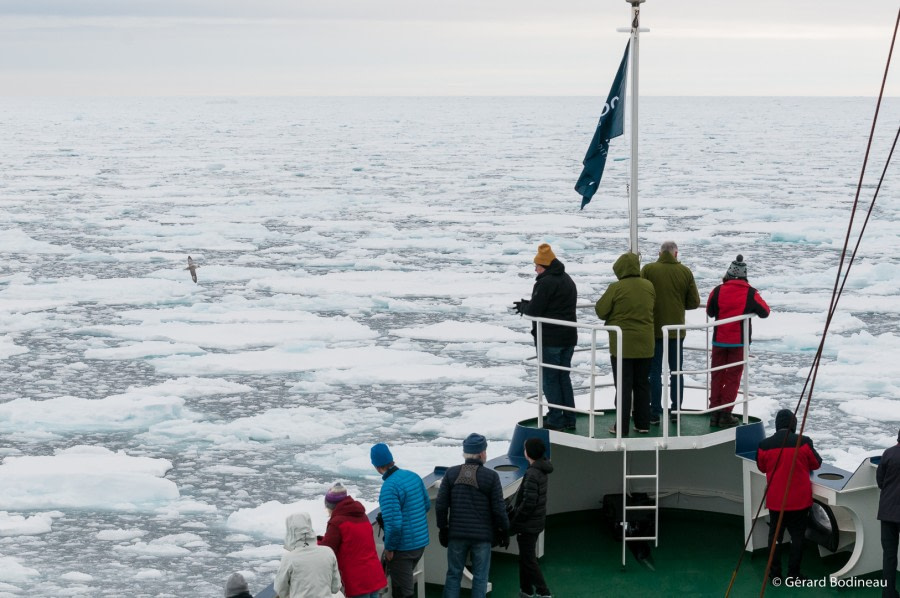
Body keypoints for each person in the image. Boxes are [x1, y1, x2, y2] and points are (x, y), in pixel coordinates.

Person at [436, 433, 510, 598]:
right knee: (480, 578)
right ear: (482, 453)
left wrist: (443, 528)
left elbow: (441, 505)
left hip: (457, 534)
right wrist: (504, 530)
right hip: (482, 537)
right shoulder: (491, 476)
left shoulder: (451, 474)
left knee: (453, 574)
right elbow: (499, 509)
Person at [514, 243, 578, 432]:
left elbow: (535, 309)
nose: (535, 269)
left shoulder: (545, 282)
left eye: (537, 266)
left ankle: (556, 419)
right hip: (568, 337)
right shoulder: (567, 279)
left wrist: (525, 307)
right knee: (563, 377)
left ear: (544, 266)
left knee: (550, 379)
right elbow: (555, 304)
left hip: (550, 338)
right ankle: (569, 418)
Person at [755, 409, 822, 583]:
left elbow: (762, 467)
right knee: (797, 537)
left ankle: (775, 574)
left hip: (776, 501)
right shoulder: (804, 442)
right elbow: (816, 464)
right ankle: (794, 575)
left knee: (775, 538)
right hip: (799, 501)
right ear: (793, 424)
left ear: (777, 424)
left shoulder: (764, 445)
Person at [594, 252, 656, 436]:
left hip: (623, 346)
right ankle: (643, 423)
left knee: (623, 386)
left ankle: (621, 427)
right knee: (642, 385)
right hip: (646, 345)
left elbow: (601, 310)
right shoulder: (649, 286)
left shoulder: (616, 287)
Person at [705, 254, 770, 427]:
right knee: (733, 378)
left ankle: (714, 412)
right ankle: (726, 413)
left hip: (719, 340)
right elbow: (765, 312)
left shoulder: (718, 290)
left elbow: (710, 311)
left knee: (717, 375)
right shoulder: (751, 293)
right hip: (738, 343)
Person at [640, 241, 701, 425]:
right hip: (675, 332)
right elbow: (694, 302)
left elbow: (642, 295)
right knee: (676, 372)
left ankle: (654, 412)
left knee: (654, 372)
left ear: (660, 253)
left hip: (654, 330)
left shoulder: (648, 270)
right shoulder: (685, 272)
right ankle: (676, 410)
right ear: (676, 254)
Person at [371, 442, 431, 598]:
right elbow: (426, 505)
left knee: (404, 592)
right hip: (420, 543)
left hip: (404, 548)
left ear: (377, 467)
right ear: (392, 460)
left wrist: (389, 549)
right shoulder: (413, 476)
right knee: (404, 585)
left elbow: (395, 525)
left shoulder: (389, 488)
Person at [319, 482, 388, 598]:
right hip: (373, 575)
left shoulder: (337, 522)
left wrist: (316, 543)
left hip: (357, 581)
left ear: (331, 507)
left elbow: (327, 551)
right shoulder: (362, 516)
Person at [508, 437, 554, 598]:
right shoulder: (542, 469)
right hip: (535, 522)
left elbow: (528, 503)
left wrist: (514, 523)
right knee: (525, 558)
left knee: (528, 560)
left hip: (528, 524)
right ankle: (526, 590)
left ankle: (544, 592)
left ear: (528, 453)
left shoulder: (533, 473)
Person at [274, 512, 342, 598]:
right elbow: (335, 588)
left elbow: (281, 590)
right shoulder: (328, 552)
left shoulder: (289, 558)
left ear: (290, 531)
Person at [877, 429, 900, 598]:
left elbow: (880, 481)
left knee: (889, 555)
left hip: (887, 512)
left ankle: (888, 592)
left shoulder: (888, 453)